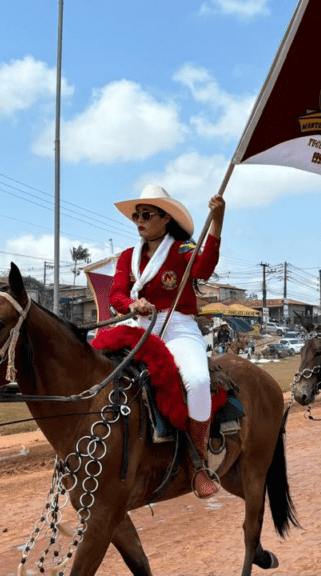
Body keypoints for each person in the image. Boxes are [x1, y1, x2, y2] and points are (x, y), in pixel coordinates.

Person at [108, 184, 225, 499]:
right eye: (137, 215)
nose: (139, 220)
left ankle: (198, 462)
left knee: (198, 380)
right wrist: (131, 305)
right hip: (139, 325)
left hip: (177, 326)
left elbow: (204, 268)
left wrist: (217, 221)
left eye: (146, 214)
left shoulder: (182, 250)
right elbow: (116, 293)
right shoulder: (127, 257)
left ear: (165, 217)